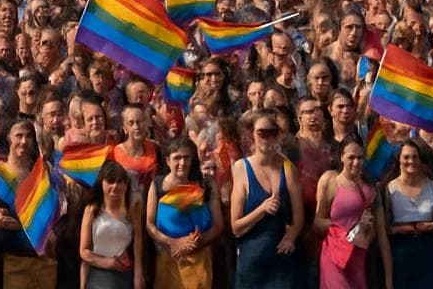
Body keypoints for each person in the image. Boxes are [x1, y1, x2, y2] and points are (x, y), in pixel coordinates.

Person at [229, 109, 303, 289]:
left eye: (272, 133)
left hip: (280, 261)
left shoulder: (287, 167)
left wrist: (291, 237)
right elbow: (236, 227)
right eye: (262, 132)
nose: (267, 138)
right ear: (252, 135)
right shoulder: (241, 167)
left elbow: (298, 216)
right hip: (251, 260)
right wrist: (261, 209)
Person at [145, 136, 221, 289]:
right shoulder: (158, 185)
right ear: (168, 160)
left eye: (186, 157)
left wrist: (195, 243)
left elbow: (218, 226)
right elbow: (150, 224)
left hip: (199, 262)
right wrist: (173, 243)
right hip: (168, 259)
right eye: (177, 158)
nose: (182, 163)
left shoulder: (206, 185)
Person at [313, 139, 385, 289]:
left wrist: (364, 228)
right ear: (341, 157)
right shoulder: (330, 181)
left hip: (357, 258)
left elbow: (372, 236)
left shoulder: (369, 190)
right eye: (351, 157)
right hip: (333, 257)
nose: (356, 162)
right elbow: (317, 222)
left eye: (360, 157)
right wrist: (341, 230)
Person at [382, 139, 433, 289]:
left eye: (415, 157)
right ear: (399, 159)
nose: (411, 161)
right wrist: (410, 228)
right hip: (401, 250)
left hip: (427, 249)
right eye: (406, 157)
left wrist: (432, 226)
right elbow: (385, 228)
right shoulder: (389, 188)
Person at [79, 159, 142, 289]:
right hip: (97, 274)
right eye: (110, 181)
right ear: (102, 183)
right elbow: (84, 252)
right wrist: (109, 263)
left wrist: (138, 276)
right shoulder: (92, 210)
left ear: (125, 185)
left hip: (123, 274)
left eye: (119, 182)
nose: (115, 186)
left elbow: (137, 246)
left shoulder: (132, 211)